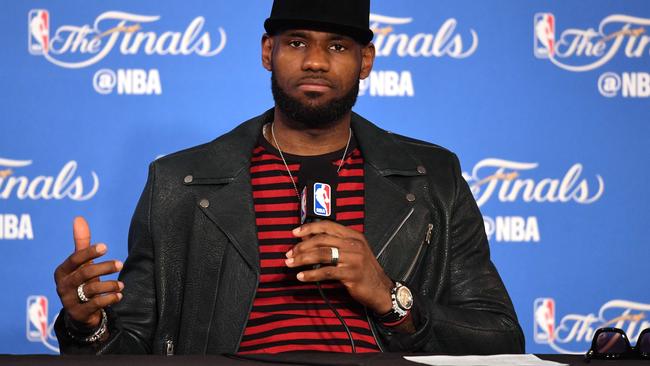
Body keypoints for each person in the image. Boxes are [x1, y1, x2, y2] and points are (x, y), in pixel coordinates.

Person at [53, 0, 524, 355]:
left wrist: (390, 297)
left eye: (337, 46)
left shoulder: (431, 179)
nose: (315, 61)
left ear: (366, 60)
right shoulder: (178, 182)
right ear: (267, 52)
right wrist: (86, 325)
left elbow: (499, 338)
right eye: (297, 42)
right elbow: (130, 346)